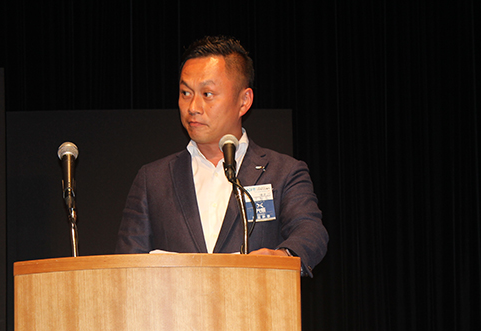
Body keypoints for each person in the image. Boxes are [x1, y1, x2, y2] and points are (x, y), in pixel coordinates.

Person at [115, 36, 328, 275]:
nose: (193, 107)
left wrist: (283, 257)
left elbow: (310, 231)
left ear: (244, 101)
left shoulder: (283, 172)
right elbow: (126, 264)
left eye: (207, 94)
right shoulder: (153, 179)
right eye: (185, 93)